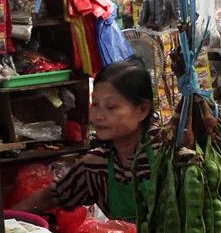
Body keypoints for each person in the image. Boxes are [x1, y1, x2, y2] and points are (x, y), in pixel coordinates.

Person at [14, 60, 155, 220]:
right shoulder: (96, 165)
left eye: (111, 107)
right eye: (95, 104)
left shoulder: (165, 156)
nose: (98, 115)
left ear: (142, 110)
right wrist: (6, 222)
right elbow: (53, 196)